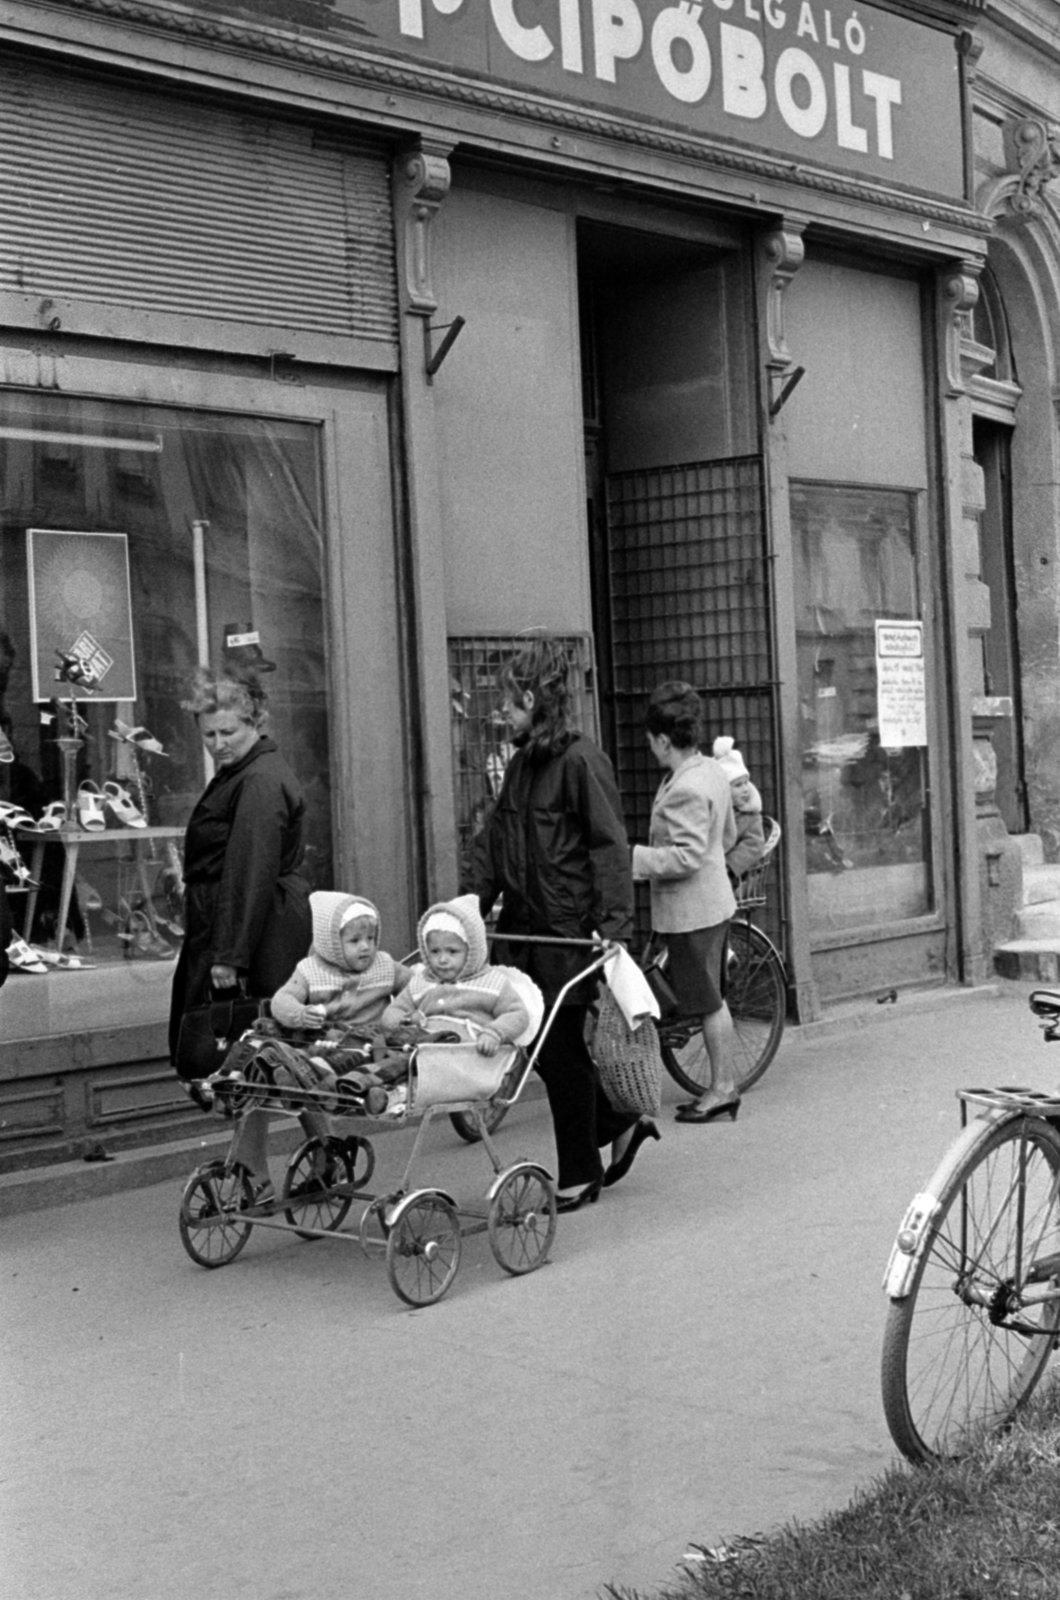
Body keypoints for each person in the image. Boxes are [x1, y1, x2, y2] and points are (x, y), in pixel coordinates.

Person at [474, 634, 656, 1211]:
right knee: (541, 1046)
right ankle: (619, 1121)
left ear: (540, 697)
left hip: (569, 931)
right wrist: (467, 908)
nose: (501, 709)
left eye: (511, 698)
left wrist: (614, 926)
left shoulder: (581, 760)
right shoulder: (523, 764)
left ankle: (580, 1172)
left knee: (557, 1052)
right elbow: (496, 842)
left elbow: (609, 846)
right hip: (528, 929)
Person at [169, 667, 311, 1122]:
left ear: (255, 722)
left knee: (248, 1052)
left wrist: (230, 955)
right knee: (261, 1051)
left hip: (254, 926)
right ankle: (318, 1148)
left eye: (228, 731)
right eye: (208, 734)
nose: (217, 743)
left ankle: (258, 1168)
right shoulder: (244, 771)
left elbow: (249, 869)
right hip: (244, 921)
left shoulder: (259, 779)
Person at [224, 890, 412, 1202]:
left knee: (298, 1067)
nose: (365, 946)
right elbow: (282, 1001)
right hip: (317, 1042)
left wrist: (406, 1012)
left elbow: (417, 989)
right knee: (257, 1058)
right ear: (330, 943)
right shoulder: (311, 970)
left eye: (371, 937)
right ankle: (232, 1079)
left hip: (357, 1047)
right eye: (354, 941)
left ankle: (288, 1076)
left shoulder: (385, 966)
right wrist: (300, 1014)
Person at [632, 682, 740, 1125]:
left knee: (708, 1001)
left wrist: (634, 858)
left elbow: (687, 855)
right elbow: (728, 836)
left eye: (650, 740)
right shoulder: (709, 770)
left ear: (661, 739)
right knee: (710, 997)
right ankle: (723, 1084)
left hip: (692, 911)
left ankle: (723, 1089)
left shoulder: (685, 787)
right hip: (712, 902)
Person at [381, 893, 530, 1054]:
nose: (442, 959)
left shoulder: (492, 983)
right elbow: (392, 1012)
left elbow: (518, 1014)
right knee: (384, 1054)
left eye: (452, 952)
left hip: (469, 1055)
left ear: (472, 952)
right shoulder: (421, 982)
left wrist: (494, 1033)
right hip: (423, 1051)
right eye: (435, 951)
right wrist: (407, 1020)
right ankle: (362, 1077)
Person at [712, 736, 766, 885]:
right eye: (737, 785)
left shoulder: (750, 816)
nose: (745, 789)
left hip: (733, 876)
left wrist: (729, 865)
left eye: (746, 783)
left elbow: (754, 844)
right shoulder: (713, 812)